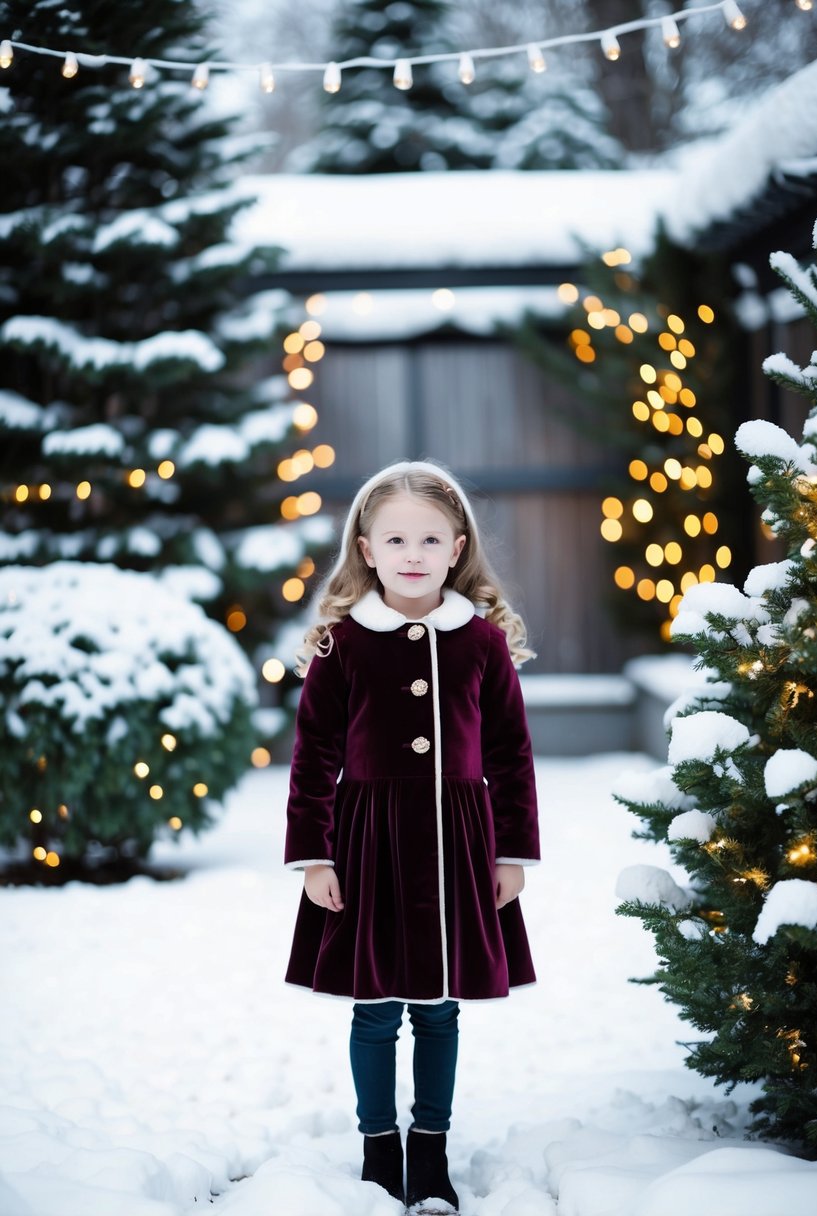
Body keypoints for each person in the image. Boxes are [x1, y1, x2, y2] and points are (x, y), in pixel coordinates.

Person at [284, 459, 540, 1215]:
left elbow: (510, 753)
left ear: (457, 548)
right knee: (374, 1005)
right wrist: (313, 852)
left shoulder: (480, 644)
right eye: (394, 538)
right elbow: (313, 755)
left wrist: (511, 852)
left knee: (437, 1006)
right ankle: (377, 1150)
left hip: (457, 841)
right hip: (367, 842)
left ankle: (429, 1152)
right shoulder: (343, 644)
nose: (412, 554)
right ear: (365, 549)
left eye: (430, 539)